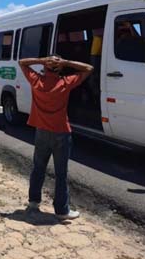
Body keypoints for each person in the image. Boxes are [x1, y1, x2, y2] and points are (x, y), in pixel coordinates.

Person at [19, 55, 93, 220]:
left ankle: (33, 202)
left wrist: (42, 60)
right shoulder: (65, 83)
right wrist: (66, 63)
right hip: (61, 132)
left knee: (38, 168)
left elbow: (22, 62)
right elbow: (89, 68)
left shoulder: (36, 81)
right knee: (61, 174)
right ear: (59, 69)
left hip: (41, 132)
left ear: (44, 68)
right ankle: (61, 211)